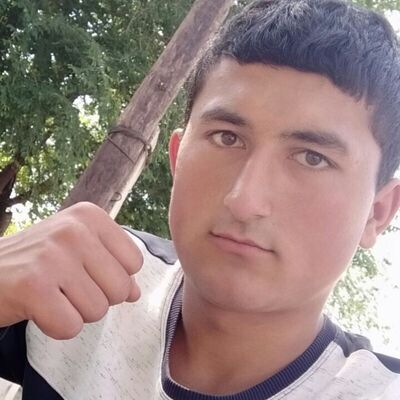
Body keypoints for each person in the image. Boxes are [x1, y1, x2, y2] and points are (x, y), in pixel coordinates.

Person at [1, 0, 400, 398]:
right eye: (227, 138)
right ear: (177, 158)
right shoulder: (76, 279)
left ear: (377, 213)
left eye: (312, 158)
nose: (244, 200)